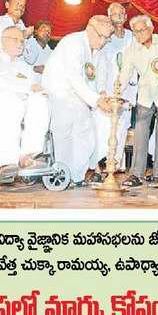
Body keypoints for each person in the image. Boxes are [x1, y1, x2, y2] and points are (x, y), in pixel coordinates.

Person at [42, 15, 113, 187]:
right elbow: (74, 78)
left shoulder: (96, 49)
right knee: (64, 135)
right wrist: (96, 100)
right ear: (90, 28)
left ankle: (76, 176)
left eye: (107, 38)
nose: (103, 42)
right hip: (60, 94)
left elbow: (95, 77)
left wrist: (101, 93)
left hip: (79, 97)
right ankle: (62, 174)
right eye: (101, 36)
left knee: (86, 135)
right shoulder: (73, 43)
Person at [0, 26, 49, 177]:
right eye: (16, 40)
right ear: (3, 41)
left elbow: (33, 86)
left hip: (22, 102)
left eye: (22, 40)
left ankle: (29, 155)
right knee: (12, 103)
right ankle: (7, 161)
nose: (20, 43)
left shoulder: (24, 65)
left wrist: (38, 90)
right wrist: (27, 88)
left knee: (40, 101)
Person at [118, 15, 158, 189]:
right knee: (140, 135)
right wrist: (116, 92)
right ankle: (136, 174)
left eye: (142, 30)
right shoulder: (131, 50)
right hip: (145, 96)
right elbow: (125, 74)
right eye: (135, 32)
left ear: (151, 28)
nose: (139, 34)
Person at [90, 3, 137, 182]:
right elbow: (98, 64)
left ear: (125, 17)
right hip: (106, 92)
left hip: (127, 91)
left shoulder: (133, 37)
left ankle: (113, 167)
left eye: (120, 13)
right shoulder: (105, 36)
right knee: (101, 128)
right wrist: (101, 89)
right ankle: (97, 168)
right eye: (113, 14)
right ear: (108, 17)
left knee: (121, 129)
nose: (117, 16)